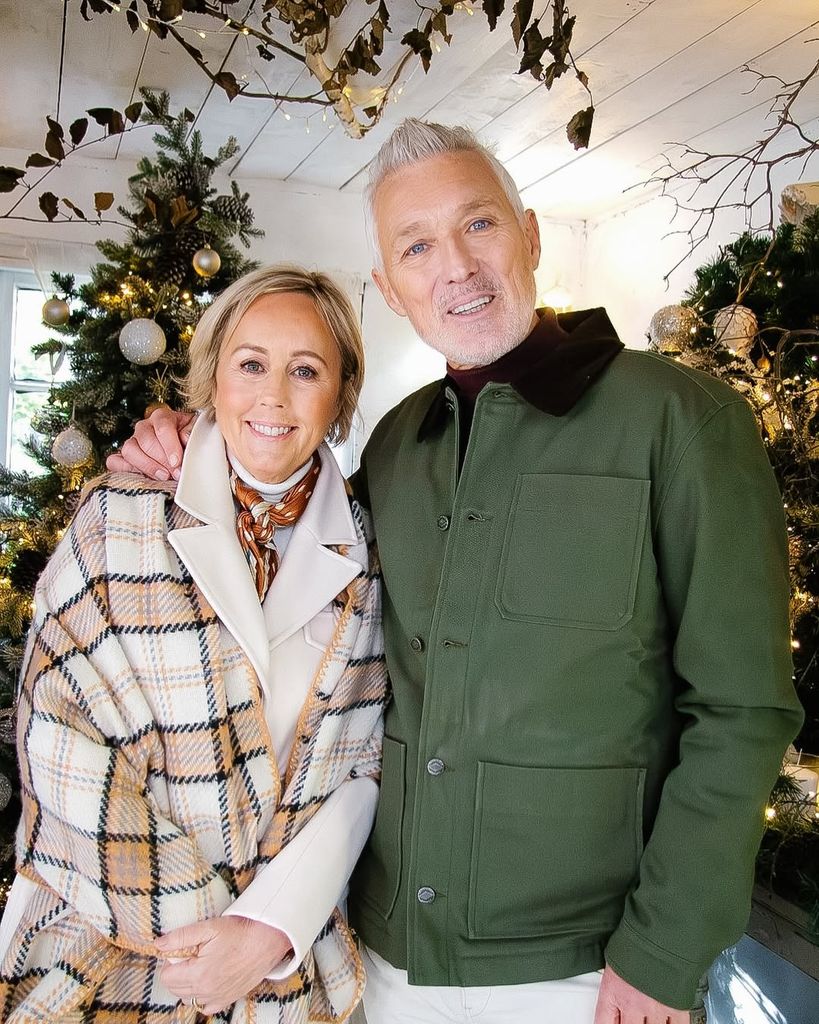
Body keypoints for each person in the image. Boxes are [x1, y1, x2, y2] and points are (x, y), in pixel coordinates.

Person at [107, 120, 804, 1024]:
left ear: (530, 236)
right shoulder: (396, 445)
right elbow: (274, 532)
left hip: (587, 972)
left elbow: (741, 711)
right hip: (386, 954)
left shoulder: (680, 420)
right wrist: (173, 451)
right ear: (393, 289)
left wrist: (664, 950)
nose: (456, 268)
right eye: (416, 246)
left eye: (478, 225)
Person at [0, 265, 390, 1023]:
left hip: (281, 961)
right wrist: (202, 933)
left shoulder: (366, 555)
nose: (273, 396)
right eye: (250, 364)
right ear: (213, 376)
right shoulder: (119, 515)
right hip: (104, 945)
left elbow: (362, 763)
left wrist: (266, 930)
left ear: (340, 397)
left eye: (305, 370)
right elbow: (56, 736)